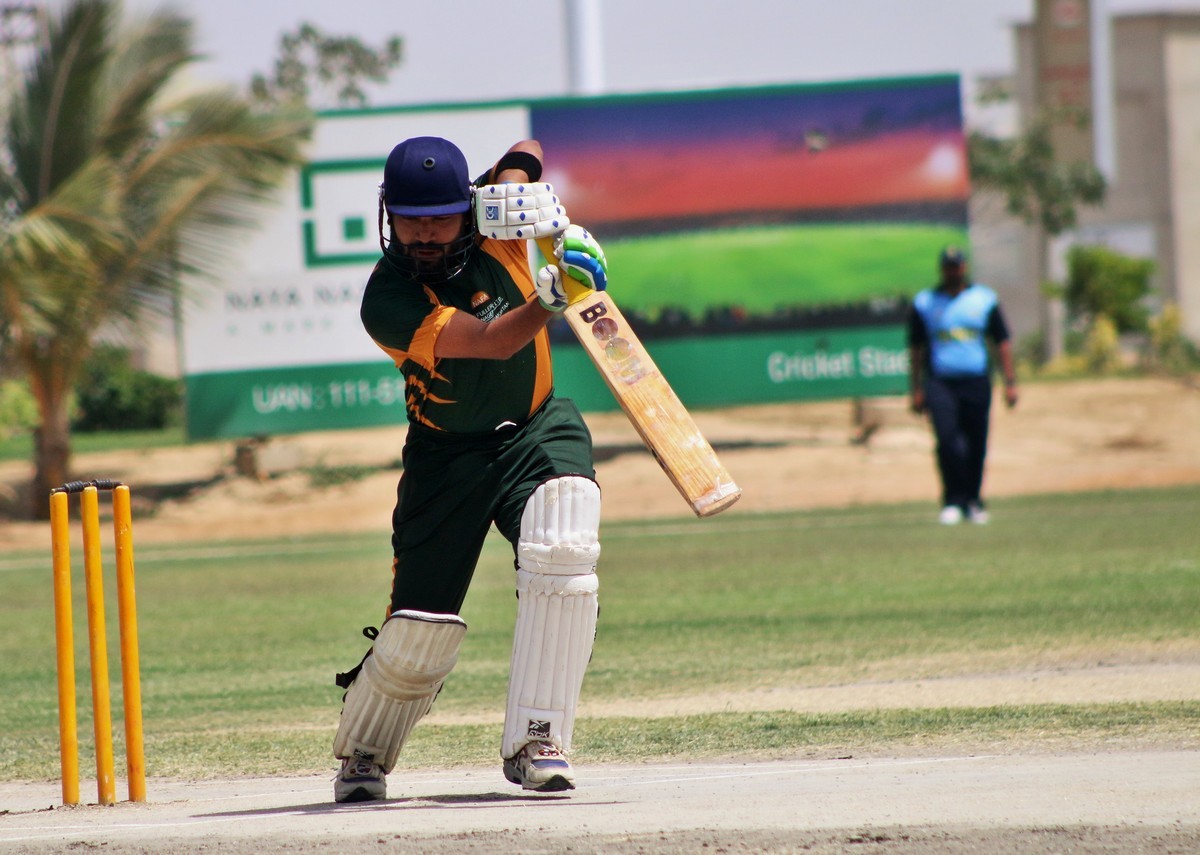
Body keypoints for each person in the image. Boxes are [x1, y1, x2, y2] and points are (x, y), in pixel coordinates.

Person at [330, 136, 609, 802]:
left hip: (536, 427)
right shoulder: (388, 298)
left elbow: (527, 148)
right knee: (418, 627)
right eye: (410, 220)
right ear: (389, 216)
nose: (425, 234)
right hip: (446, 458)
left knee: (564, 542)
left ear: (468, 206)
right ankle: (366, 748)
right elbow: (491, 341)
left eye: (440, 218)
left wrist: (518, 186)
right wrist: (552, 298)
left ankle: (538, 740)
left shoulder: (494, 216)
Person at [907, 246, 1018, 525]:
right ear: (941, 269)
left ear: (964, 267)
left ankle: (973, 501)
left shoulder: (984, 299)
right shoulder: (925, 302)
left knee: (976, 442)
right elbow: (916, 348)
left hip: (976, 380)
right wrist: (916, 388)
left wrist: (1010, 382)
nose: (952, 271)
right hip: (940, 382)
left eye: (956, 266)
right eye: (948, 266)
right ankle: (952, 500)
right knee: (947, 441)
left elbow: (1002, 342)